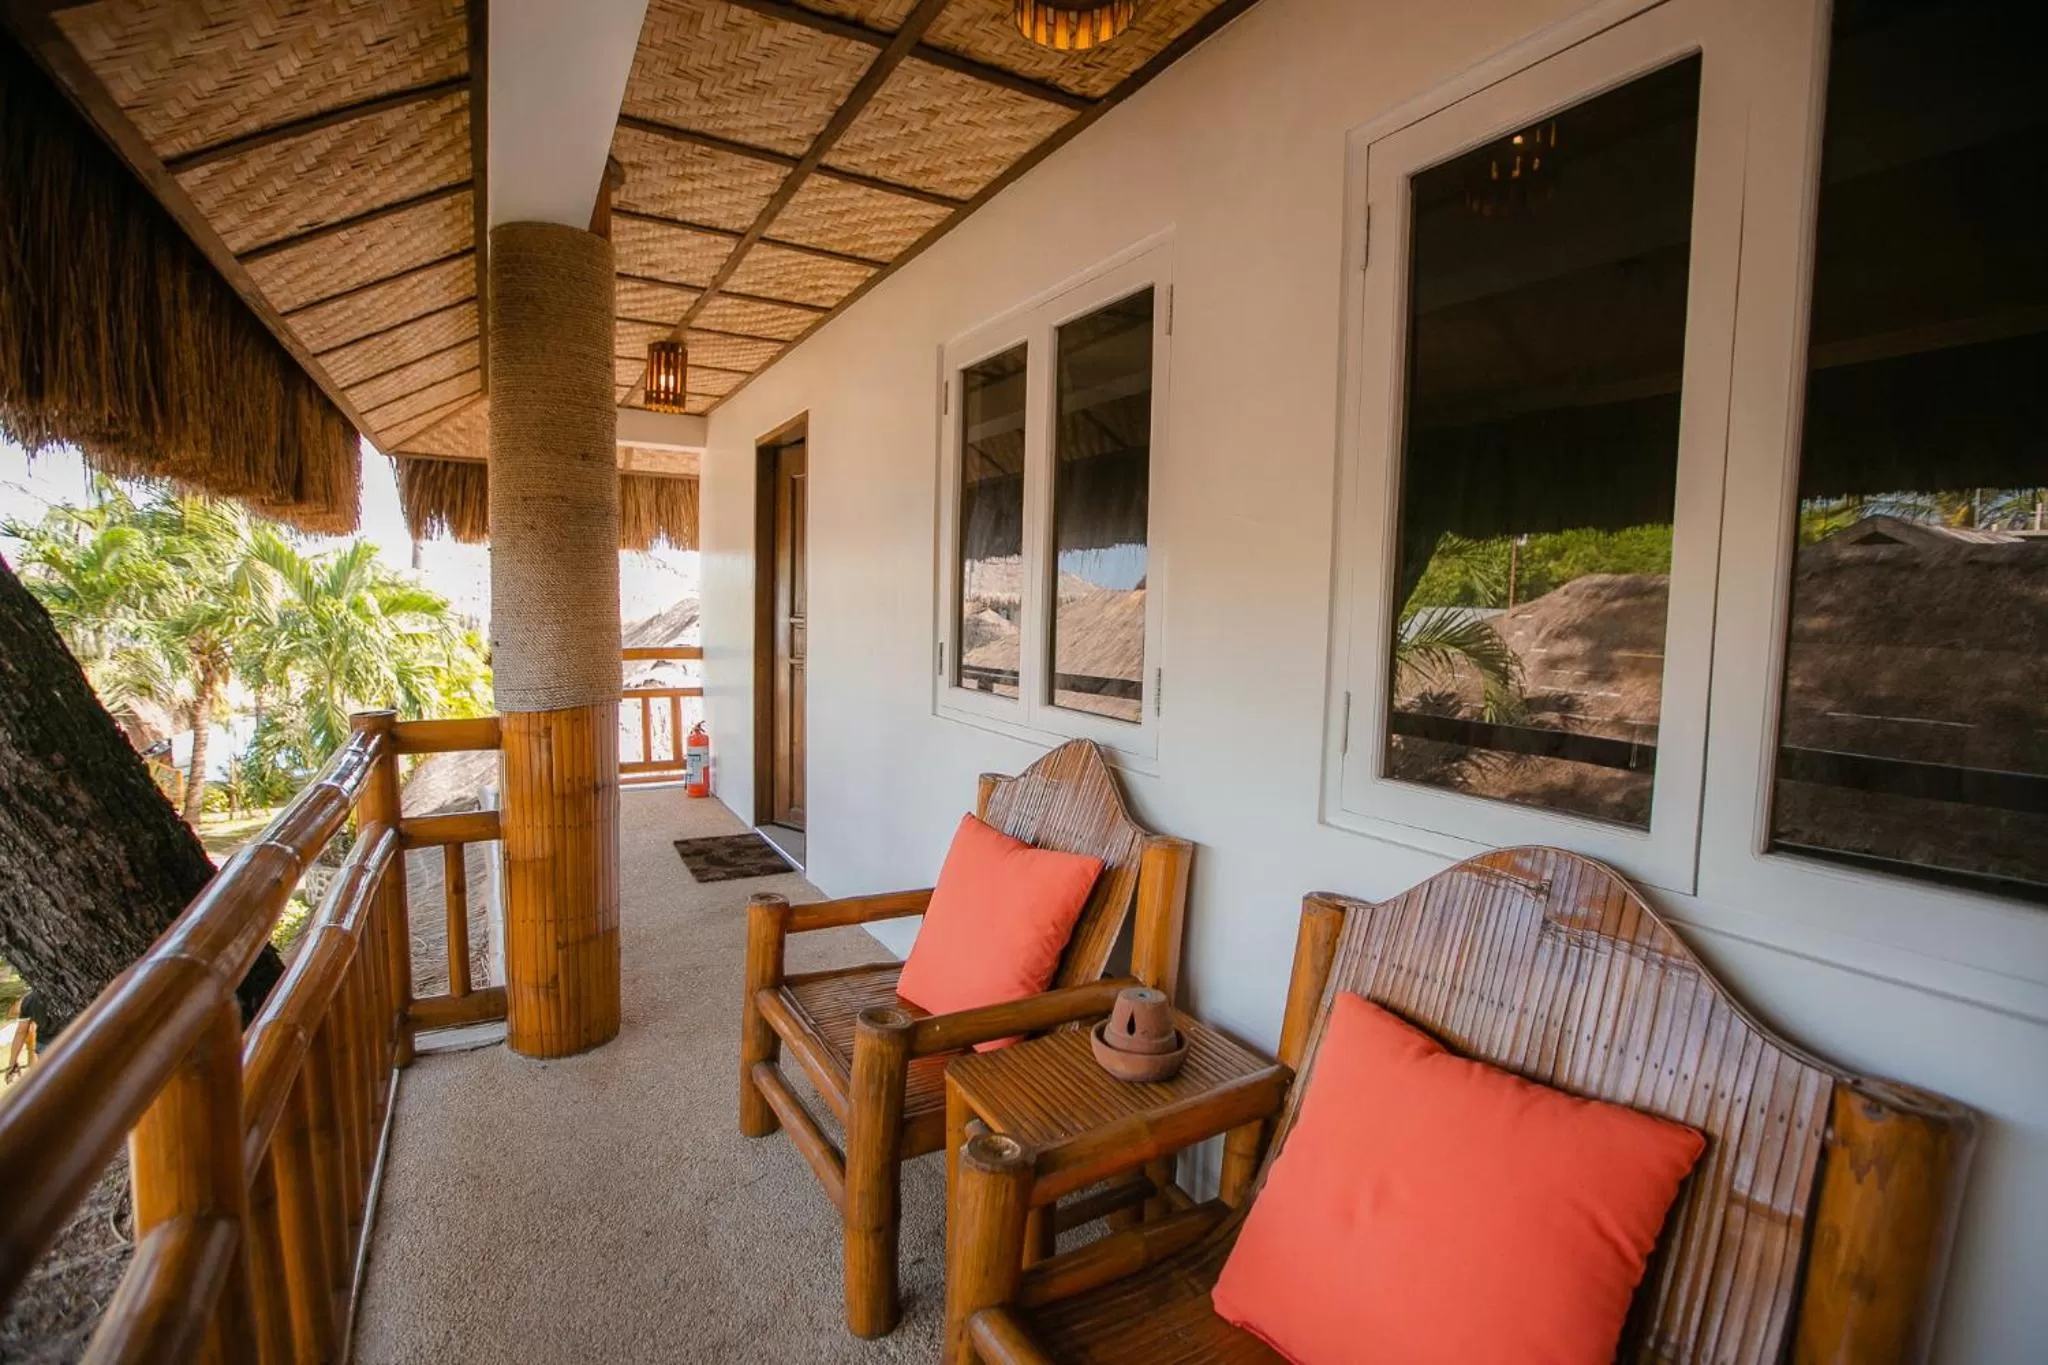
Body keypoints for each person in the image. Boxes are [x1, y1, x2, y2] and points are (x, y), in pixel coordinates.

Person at [5, 989, 42, 1082]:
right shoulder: (30, 999)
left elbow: (21, 1032)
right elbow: (13, 1013)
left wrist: (12, 1063)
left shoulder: (31, 998)